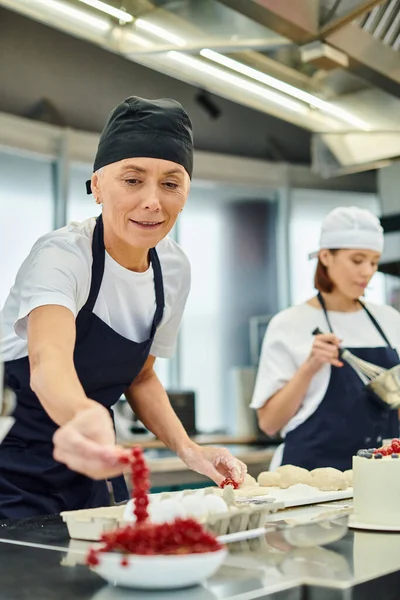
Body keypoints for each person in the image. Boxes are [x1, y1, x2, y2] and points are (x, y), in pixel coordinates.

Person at [0, 96, 246, 518]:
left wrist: (189, 449)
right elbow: (47, 361)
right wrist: (83, 416)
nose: (153, 201)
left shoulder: (173, 268)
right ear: (97, 185)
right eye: (133, 180)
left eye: (170, 183)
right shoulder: (63, 254)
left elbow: (142, 375)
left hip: (95, 465)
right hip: (13, 464)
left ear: (185, 194)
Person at [251, 206, 400, 471]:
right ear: (326, 256)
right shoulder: (289, 324)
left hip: (380, 474)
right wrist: (310, 367)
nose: (367, 271)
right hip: (307, 479)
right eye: (357, 260)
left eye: (374, 261)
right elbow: (269, 423)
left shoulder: (390, 321)